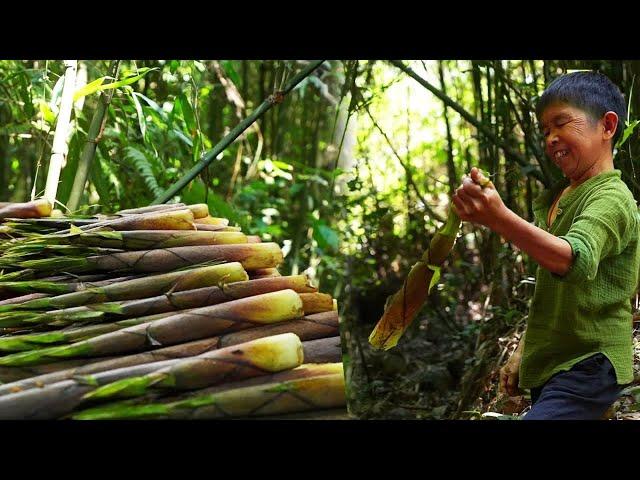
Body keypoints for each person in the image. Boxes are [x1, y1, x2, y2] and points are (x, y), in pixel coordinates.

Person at [452, 71, 640, 420]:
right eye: (545, 130)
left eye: (562, 122)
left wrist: (498, 218)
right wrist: (524, 350)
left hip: (590, 364)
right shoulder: (561, 197)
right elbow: (552, 296)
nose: (551, 138)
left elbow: (576, 259)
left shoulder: (612, 197)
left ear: (608, 126)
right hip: (557, 365)